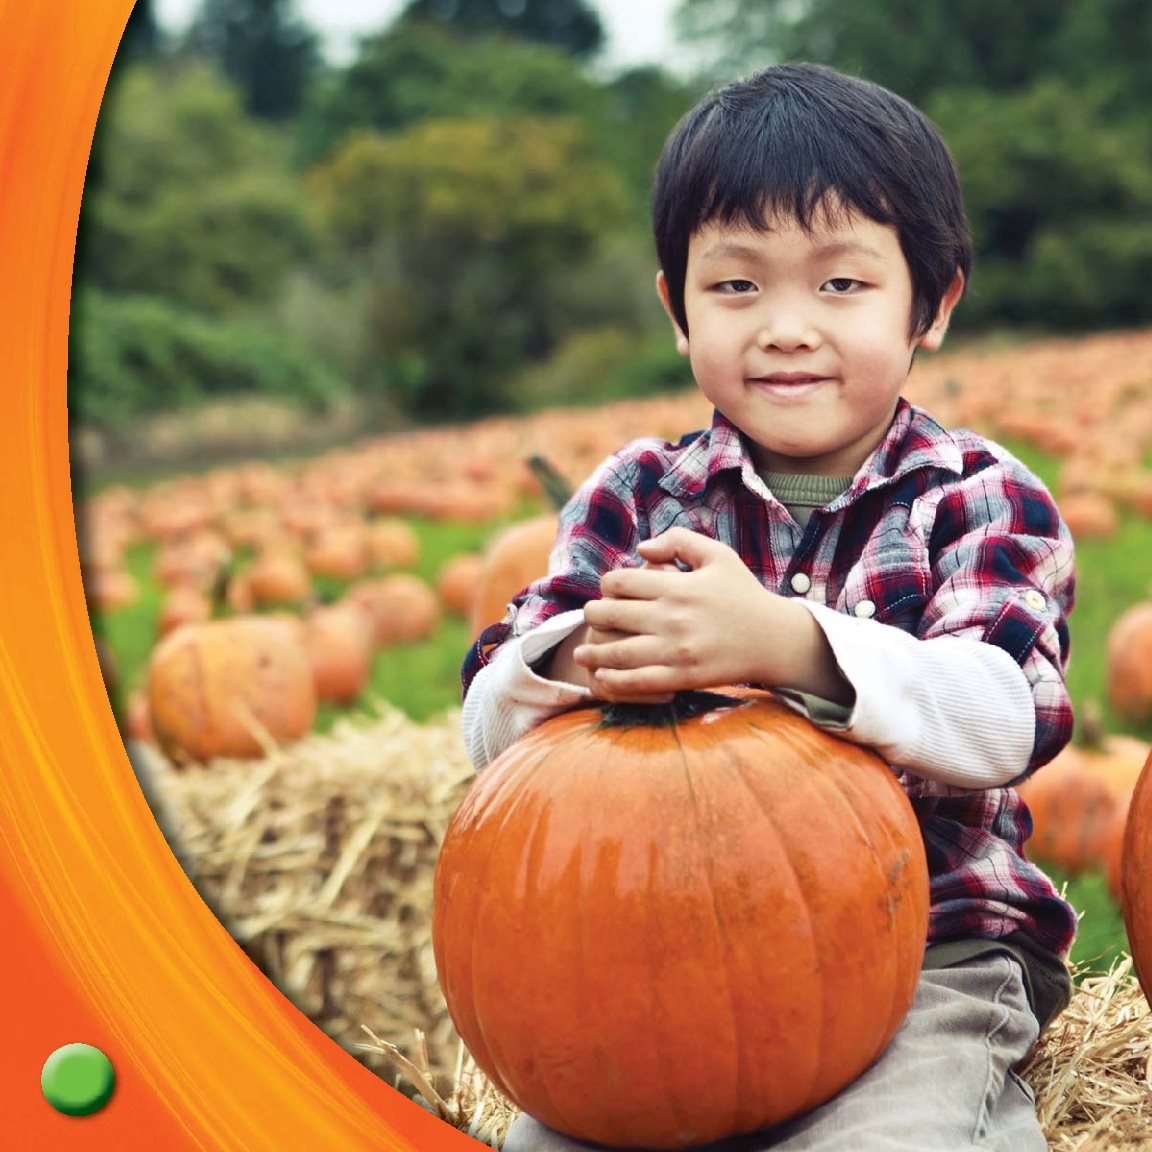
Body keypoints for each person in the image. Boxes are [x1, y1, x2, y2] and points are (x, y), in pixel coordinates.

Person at [459, 61, 1077, 1152]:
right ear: (676, 309)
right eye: (737, 286)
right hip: (657, 961)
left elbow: (1008, 718)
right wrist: (579, 659)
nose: (786, 328)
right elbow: (489, 736)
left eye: (842, 285)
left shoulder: (977, 497)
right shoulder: (636, 498)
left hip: (929, 953)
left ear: (932, 304)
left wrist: (793, 645)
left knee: (897, 1138)